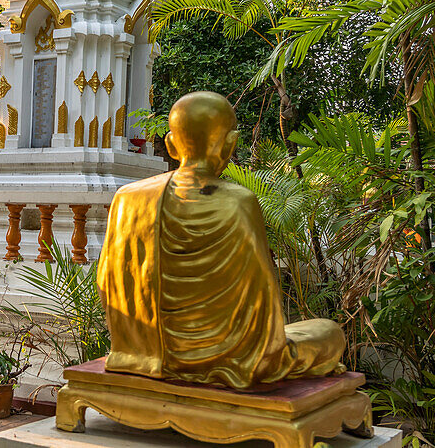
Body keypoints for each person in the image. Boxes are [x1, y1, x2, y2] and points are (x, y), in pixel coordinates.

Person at [97, 91, 345, 389]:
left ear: (171, 145)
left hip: (139, 355)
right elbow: (262, 300)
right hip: (228, 359)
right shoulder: (238, 201)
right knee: (329, 332)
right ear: (230, 143)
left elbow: (106, 281)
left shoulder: (127, 198)